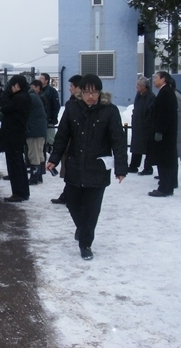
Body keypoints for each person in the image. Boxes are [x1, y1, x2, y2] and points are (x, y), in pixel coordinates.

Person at [46, 74, 127, 260]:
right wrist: (54, 158)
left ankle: (86, 244)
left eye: (95, 92)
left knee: (91, 210)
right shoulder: (72, 108)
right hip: (74, 166)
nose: (91, 96)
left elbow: (118, 141)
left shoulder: (110, 111)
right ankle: (83, 229)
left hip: (97, 168)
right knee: (73, 203)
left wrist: (121, 168)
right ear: (80, 92)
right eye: (87, 92)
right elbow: (62, 136)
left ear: (100, 92)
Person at [50, 74, 83, 204]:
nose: (70, 89)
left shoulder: (81, 105)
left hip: (76, 144)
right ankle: (67, 194)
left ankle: (71, 196)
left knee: (73, 170)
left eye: (72, 86)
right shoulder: (72, 103)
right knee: (69, 170)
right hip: (69, 143)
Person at [0, 75, 32, 202]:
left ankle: (19, 192)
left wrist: (5, 95)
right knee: (19, 164)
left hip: (13, 135)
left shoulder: (20, 98)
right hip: (16, 135)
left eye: (11, 86)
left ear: (17, 86)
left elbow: (5, 107)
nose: (10, 89)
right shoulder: (24, 97)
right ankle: (23, 192)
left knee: (15, 166)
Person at [146, 71, 178, 197]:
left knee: (164, 161)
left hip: (165, 135)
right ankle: (166, 185)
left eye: (156, 78)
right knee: (166, 161)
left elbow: (164, 114)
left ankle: (164, 187)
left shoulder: (166, 93)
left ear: (163, 79)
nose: (154, 80)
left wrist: (159, 131)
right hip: (166, 133)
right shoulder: (166, 92)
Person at [128, 76, 156, 175]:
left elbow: (151, 112)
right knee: (136, 145)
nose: (137, 87)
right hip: (137, 124)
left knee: (147, 147)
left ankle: (148, 167)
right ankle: (133, 165)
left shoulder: (151, 97)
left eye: (139, 85)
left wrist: (146, 122)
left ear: (144, 86)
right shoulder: (139, 95)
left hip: (145, 127)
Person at [26, 83, 47, 185]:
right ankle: (39, 175)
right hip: (40, 129)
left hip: (33, 130)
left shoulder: (29, 98)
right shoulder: (34, 96)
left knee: (34, 153)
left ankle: (34, 177)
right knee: (39, 153)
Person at [39, 73, 61, 151]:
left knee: (49, 139)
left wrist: (53, 117)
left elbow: (56, 106)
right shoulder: (38, 90)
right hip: (41, 119)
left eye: (42, 78)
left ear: (46, 80)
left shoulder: (52, 91)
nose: (39, 79)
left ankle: (49, 149)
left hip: (49, 119)